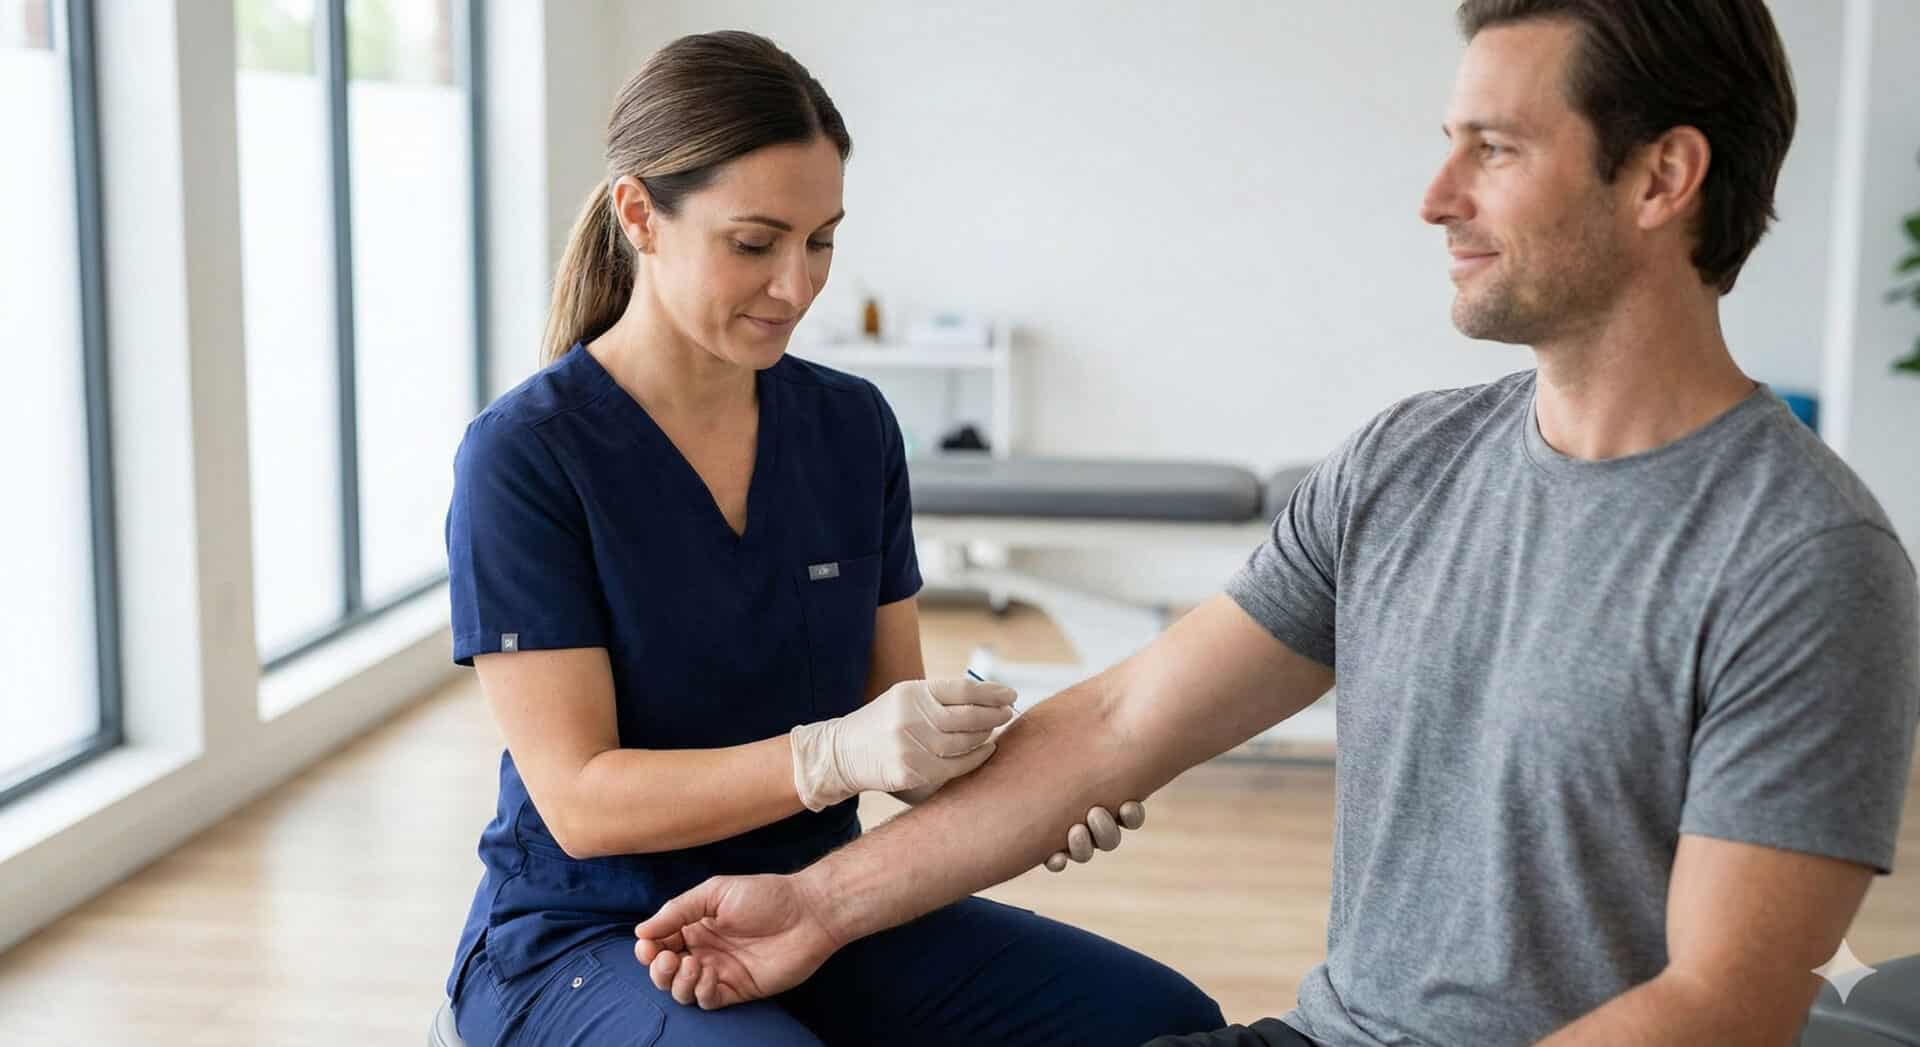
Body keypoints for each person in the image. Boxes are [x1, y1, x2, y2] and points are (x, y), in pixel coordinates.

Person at [630, 3, 1920, 1045]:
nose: (1436, 196)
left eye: (1495, 149)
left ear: (1663, 178)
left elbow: (1722, 1008)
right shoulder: (1408, 463)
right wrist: (815, 904)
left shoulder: (1803, 562)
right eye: (1451, 143)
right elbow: (1122, 724)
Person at [440, 29, 1222, 1047]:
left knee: (1167, 1024)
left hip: (817, 903)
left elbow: (899, 739)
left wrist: (1043, 790)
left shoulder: (851, 428)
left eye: (821, 241)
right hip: (597, 936)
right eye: (755, 243)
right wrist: (827, 756)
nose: (797, 285)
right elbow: (581, 802)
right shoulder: (527, 454)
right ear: (640, 215)